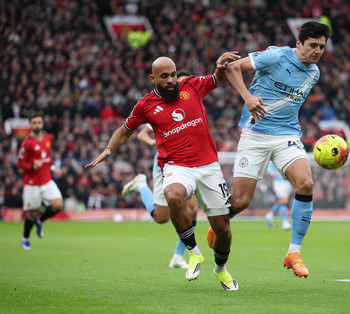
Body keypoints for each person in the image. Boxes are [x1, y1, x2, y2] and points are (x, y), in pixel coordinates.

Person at [86, 52, 246, 290]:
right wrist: (108, 150)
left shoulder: (191, 86)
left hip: (208, 166)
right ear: (153, 78)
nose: (171, 80)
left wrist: (220, 66)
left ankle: (220, 269)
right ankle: (193, 252)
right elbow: (125, 131)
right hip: (176, 165)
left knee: (222, 228)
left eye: (173, 74)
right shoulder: (145, 105)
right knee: (172, 196)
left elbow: (219, 78)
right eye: (165, 76)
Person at [208, 21, 331, 278]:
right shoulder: (276, 55)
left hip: (287, 135)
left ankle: (294, 252)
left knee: (306, 183)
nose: (317, 51)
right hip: (255, 135)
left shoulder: (314, 73)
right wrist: (248, 98)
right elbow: (231, 67)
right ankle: (221, 220)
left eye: (322, 46)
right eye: (313, 45)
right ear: (299, 43)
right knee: (240, 202)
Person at [122, 70, 199, 269]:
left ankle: (178, 257)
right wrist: (159, 143)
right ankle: (140, 184)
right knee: (161, 218)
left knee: (191, 211)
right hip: (166, 163)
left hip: (187, 160)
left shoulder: (192, 102)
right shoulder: (161, 106)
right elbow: (141, 135)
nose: (181, 86)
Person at [16, 112, 63, 250]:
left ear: (42, 124)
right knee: (32, 213)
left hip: (46, 180)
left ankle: (40, 220)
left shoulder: (48, 138)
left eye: (39, 122)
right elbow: (19, 163)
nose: (37, 125)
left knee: (58, 205)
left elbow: (47, 157)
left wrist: (54, 168)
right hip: (32, 184)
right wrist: (31, 166)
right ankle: (25, 239)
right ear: (30, 125)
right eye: (34, 123)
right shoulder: (27, 143)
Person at [265, 162, 292, 230]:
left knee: (282, 201)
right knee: (283, 201)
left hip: (287, 182)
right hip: (279, 181)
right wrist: (273, 173)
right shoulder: (275, 153)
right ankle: (285, 222)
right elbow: (269, 165)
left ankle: (270, 215)